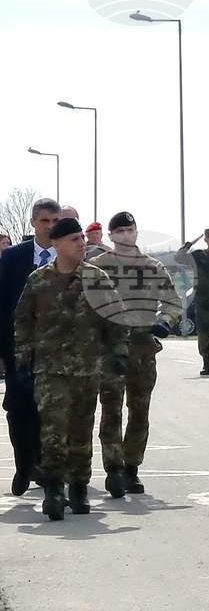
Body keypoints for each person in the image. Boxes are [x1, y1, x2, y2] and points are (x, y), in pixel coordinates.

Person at [14, 217, 128, 520]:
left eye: (82, 238)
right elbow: (23, 322)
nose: (82, 243)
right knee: (53, 432)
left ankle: (79, 486)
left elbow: (115, 319)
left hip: (88, 368)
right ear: (57, 243)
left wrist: (118, 353)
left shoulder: (97, 278)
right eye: (75, 239)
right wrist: (22, 361)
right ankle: (53, 489)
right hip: (50, 370)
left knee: (80, 431)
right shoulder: (38, 280)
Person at [91, 212, 183, 497]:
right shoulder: (98, 267)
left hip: (143, 347)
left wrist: (166, 321)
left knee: (139, 411)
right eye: (119, 231)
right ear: (111, 234)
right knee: (111, 410)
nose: (125, 235)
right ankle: (114, 468)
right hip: (109, 351)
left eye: (129, 230)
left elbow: (173, 302)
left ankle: (132, 466)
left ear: (136, 232)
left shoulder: (152, 267)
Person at [0, 198, 60, 496]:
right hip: (18, 347)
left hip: (58, 350)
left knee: (50, 410)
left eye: (54, 221)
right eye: (44, 221)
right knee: (18, 408)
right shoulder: (12, 257)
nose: (49, 227)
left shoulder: (70, 256)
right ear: (33, 223)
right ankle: (25, 464)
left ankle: (45, 468)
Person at [175, 228, 209, 375]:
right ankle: (206, 363)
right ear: (205, 239)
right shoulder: (198, 255)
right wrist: (190, 243)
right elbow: (179, 257)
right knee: (203, 332)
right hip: (202, 299)